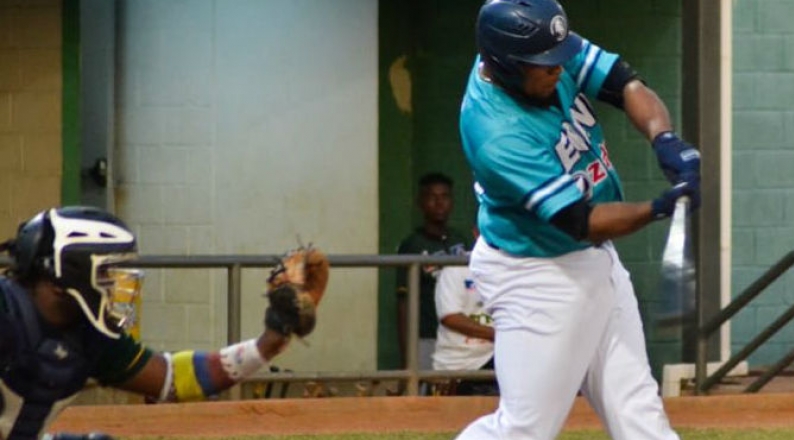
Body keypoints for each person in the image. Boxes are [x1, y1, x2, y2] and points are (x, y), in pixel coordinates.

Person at [456, 0, 701, 439]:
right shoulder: (495, 131)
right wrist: (658, 207)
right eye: (544, 63)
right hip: (536, 275)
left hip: (591, 260)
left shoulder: (537, 48)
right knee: (525, 428)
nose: (558, 68)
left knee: (638, 413)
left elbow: (624, 82)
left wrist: (665, 138)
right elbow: (580, 221)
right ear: (507, 63)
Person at [0, 206, 323, 440]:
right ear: (65, 272)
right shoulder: (6, 309)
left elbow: (172, 378)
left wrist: (269, 342)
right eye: (106, 273)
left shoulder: (89, 336)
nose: (116, 285)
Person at [395, 172, 472, 377]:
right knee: (423, 394)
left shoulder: (460, 240)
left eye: (445, 196)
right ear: (421, 202)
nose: (439, 203)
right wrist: (406, 354)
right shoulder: (412, 244)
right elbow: (403, 302)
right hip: (426, 335)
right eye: (432, 197)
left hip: (459, 336)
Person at [432, 242, 498, 396]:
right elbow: (450, 317)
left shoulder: (515, 268)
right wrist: (499, 334)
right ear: (476, 232)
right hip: (462, 364)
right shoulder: (457, 267)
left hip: (499, 357)